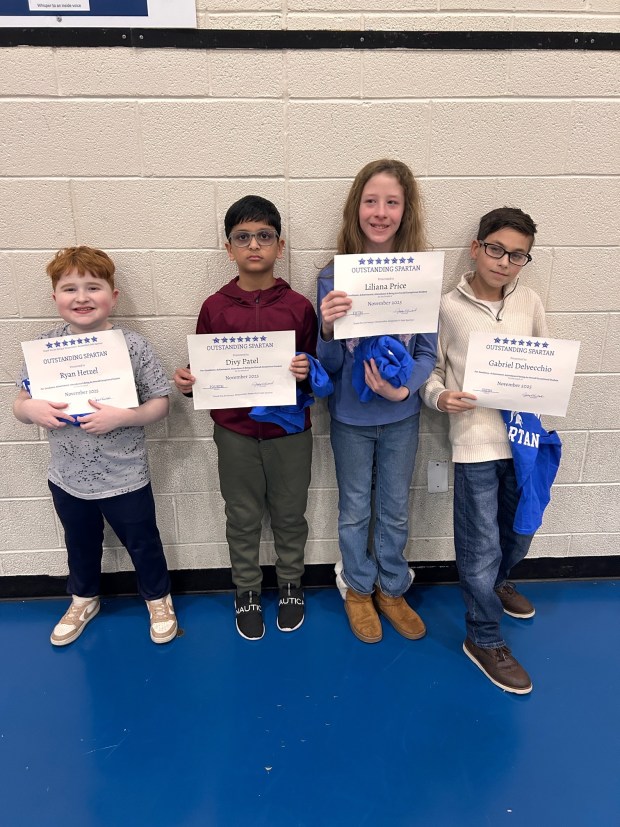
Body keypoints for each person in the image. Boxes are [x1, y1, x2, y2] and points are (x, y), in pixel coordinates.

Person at [13, 246, 177, 646]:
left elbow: (161, 401)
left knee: (143, 541)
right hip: (67, 476)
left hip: (126, 474)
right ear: (55, 298)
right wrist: (29, 408)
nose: (82, 297)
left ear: (113, 296)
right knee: (79, 542)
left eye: (93, 286)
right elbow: (19, 403)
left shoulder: (132, 346)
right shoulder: (44, 347)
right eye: (69, 288)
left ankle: (158, 597)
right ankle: (83, 597)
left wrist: (126, 416)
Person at [173, 196, 318, 641]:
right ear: (229, 247)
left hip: (289, 429)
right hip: (234, 430)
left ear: (279, 245)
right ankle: (247, 590)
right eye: (243, 237)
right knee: (241, 514)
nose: (254, 245)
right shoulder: (215, 307)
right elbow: (205, 373)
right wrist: (189, 381)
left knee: (290, 513)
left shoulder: (298, 306)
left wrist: (306, 369)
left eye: (264, 236)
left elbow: (317, 370)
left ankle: (291, 583)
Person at [422, 207, 548, 694]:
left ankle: (498, 582)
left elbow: (544, 361)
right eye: (496, 249)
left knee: (519, 531)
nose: (504, 261)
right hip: (474, 443)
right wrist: (439, 397)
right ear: (476, 248)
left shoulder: (530, 301)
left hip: (524, 440)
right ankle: (483, 637)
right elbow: (429, 373)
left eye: (518, 256)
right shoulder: (447, 308)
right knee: (479, 548)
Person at [317, 159, 437, 644]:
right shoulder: (332, 276)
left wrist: (404, 387)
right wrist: (326, 326)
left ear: (405, 211)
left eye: (392, 202)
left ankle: (392, 587)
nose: (381, 212)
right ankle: (358, 590)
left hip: (402, 414)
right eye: (371, 201)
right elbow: (327, 364)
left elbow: (426, 353)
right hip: (350, 416)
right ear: (356, 208)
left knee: (394, 507)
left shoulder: (420, 273)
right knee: (354, 508)